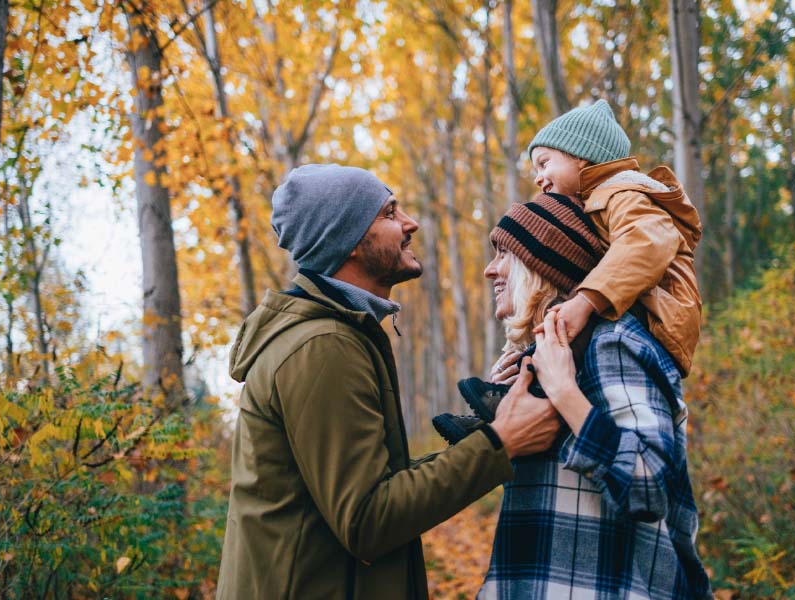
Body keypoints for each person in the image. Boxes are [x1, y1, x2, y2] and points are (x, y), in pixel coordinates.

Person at [215, 164, 561, 600]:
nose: (410, 223)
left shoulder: (334, 334)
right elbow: (367, 520)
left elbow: (369, 488)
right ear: (351, 241)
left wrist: (485, 437)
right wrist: (500, 443)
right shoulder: (323, 346)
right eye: (389, 212)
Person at [478, 193, 712, 599]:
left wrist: (565, 393)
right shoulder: (552, 354)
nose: (490, 269)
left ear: (542, 263)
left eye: (504, 253)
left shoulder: (612, 342)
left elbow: (649, 483)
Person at [526, 99, 703, 378]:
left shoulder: (624, 195)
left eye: (544, 163)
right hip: (633, 316)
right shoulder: (598, 201)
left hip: (654, 321)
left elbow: (645, 244)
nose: (538, 178)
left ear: (580, 155)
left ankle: (525, 382)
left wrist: (585, 301)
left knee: (566, 341)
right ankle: (517, 381)